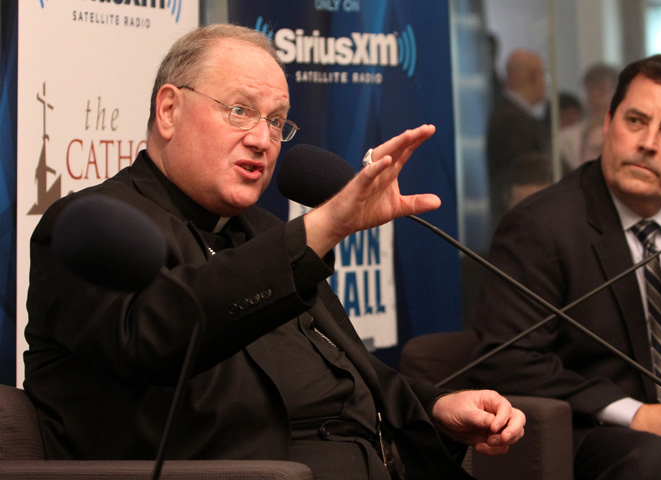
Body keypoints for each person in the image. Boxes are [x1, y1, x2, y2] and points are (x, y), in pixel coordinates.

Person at [23, 24, 526, 480]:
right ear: (169, 109)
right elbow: (158, 334)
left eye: (277, 121)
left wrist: (438, 405)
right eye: (240, 111)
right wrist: (322, 227)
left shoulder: (263, 230)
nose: (263, 140)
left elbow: (352, 373)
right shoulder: (84, 228)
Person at [470, 53, 661, 479]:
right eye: (635, 121)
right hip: (605, 435)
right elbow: (508, 359)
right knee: (648, 457)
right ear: (608, 122)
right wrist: (642, 416)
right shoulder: (541, 225)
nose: (648, 143)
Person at [485, 48, 550, 231]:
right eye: (545, 75)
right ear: (534, 76)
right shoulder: (512, 120)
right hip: (520, 224)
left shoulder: (512, 116)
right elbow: (523, 177)